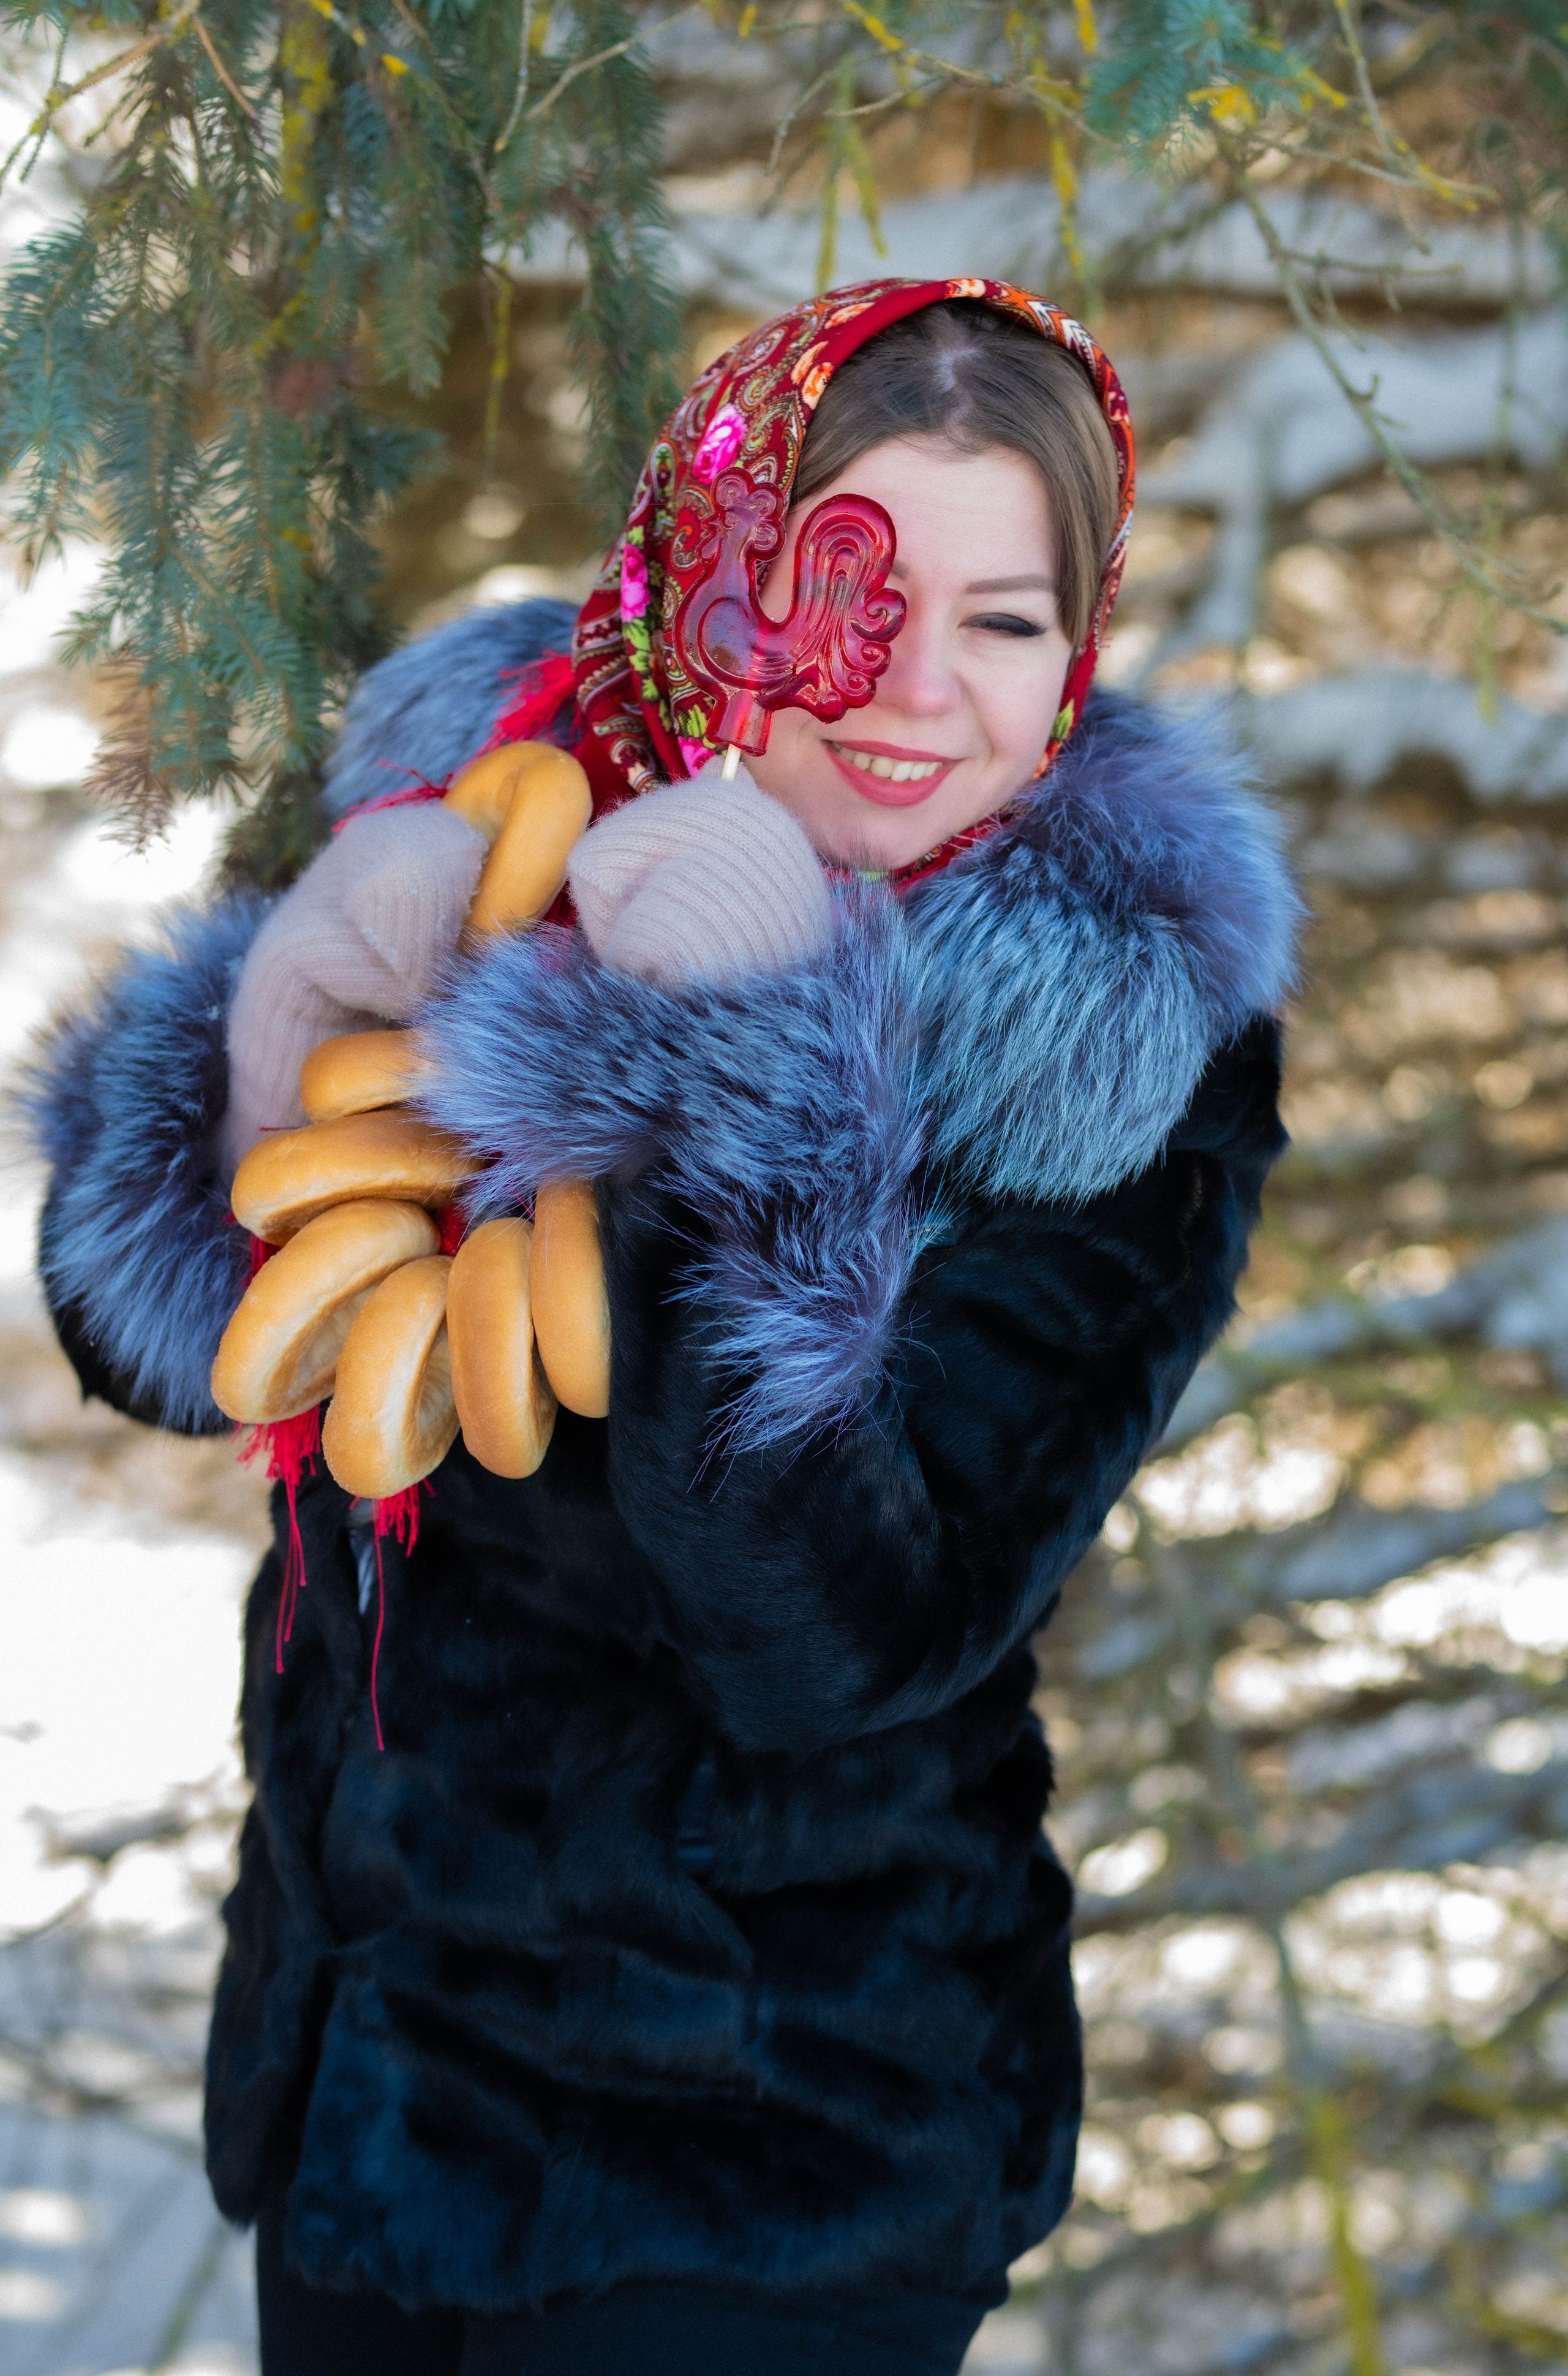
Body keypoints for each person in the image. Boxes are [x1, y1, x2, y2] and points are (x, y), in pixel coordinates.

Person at [26, 279, 1297, 2375]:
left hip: (759, 2163)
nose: (920, 691)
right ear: (709, 575)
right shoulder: (507, 804)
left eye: (1008, 619)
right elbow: (168, 1359)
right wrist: (268, 1066)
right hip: (369, 2092)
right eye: (845, 598)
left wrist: (771, 1064)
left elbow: (841, 1647)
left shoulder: (1108, 1045)